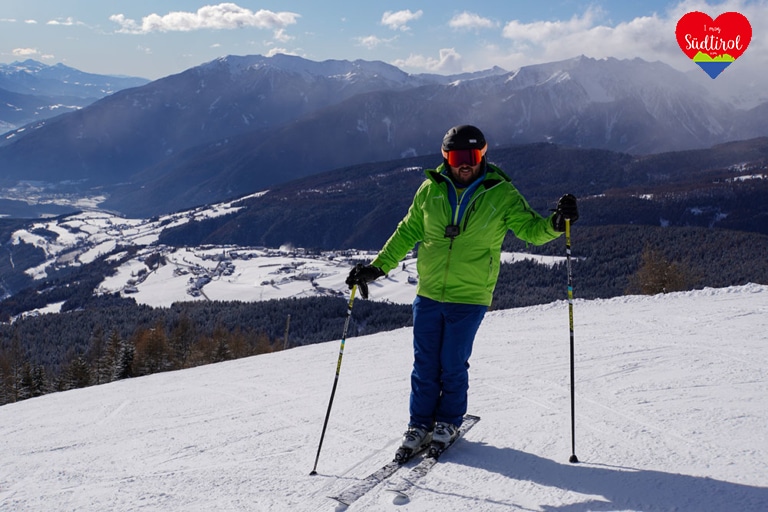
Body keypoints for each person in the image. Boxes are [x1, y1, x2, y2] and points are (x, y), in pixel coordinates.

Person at [346, 125, 579, 458]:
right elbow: (407, 232)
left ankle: (448, 422)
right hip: (428, 294)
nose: (465, 164)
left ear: (482, 155)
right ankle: (419, 424)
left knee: (452, 362)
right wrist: (377, 267)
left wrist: (556, 224)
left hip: (470, 295)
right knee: (425, 364)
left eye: (471, 156)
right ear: (446, 158)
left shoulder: (501, 193)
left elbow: (530, 229)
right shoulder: (430, 191)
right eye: (457, 157)